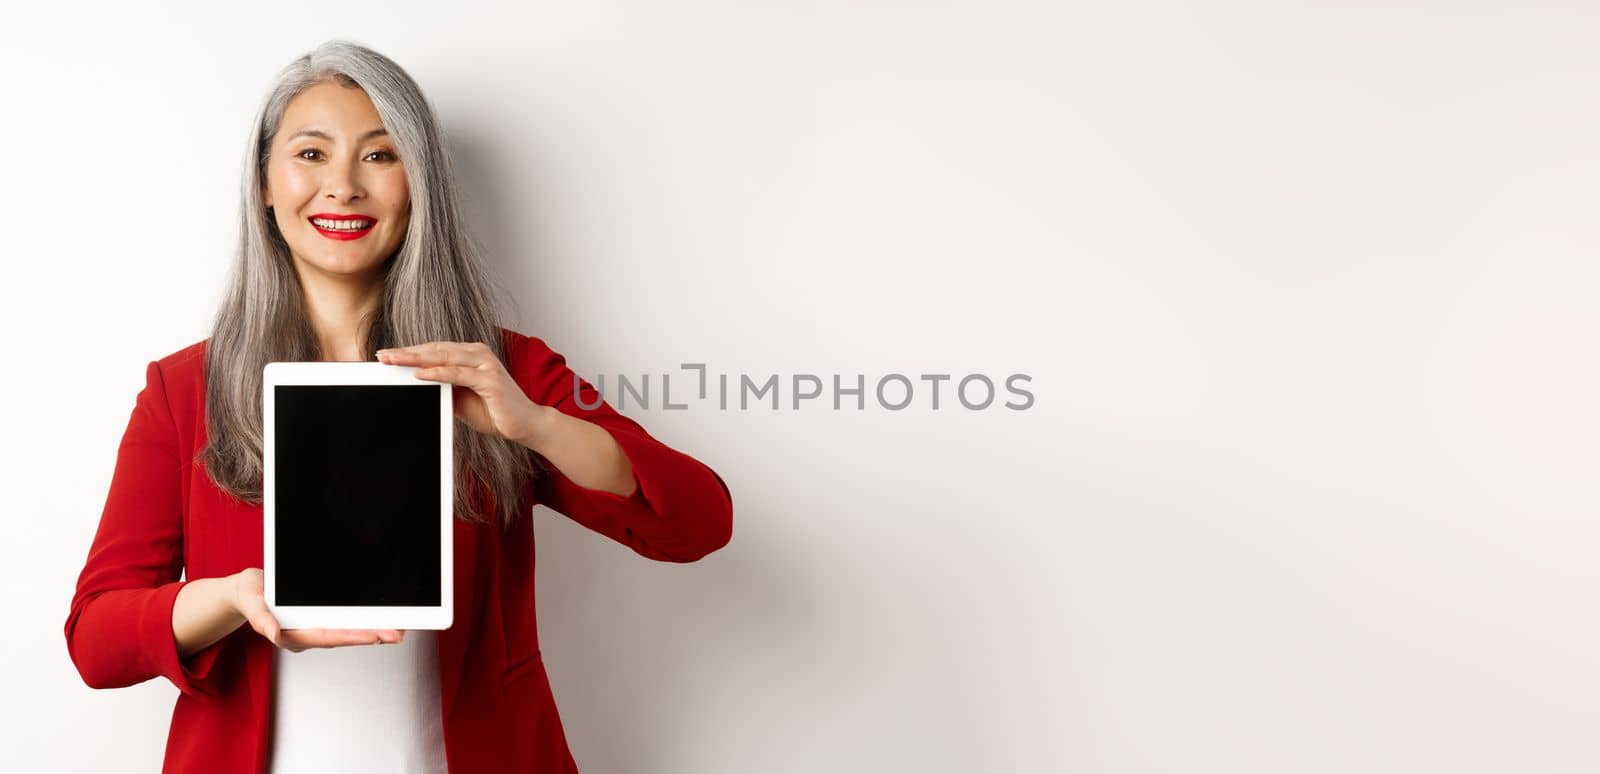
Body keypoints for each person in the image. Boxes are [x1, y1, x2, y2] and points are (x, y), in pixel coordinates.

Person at [63, 40, 734, 774]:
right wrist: (228, 600)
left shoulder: (503, 372)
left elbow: (698, 524)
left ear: (419, 182)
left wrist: (535, 424)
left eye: (380, 156)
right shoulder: (185, 389)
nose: (343, 186)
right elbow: (96, 641)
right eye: (311, 155)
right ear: (263, 181)